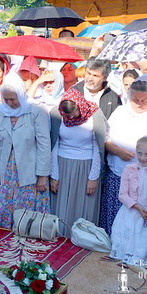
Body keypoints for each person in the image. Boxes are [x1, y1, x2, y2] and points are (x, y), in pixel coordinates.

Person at [101, 75, 147, 234]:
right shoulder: (120, 112)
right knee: (118, 214)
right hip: (119, 172)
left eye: (143, 100)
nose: (139, 104)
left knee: (139, 217)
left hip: (145, 178)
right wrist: (117, 150)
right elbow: (105, 137)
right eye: (135, 99)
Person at [0, 73, 51, 229]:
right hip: (8, 170)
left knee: (27, 214)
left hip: (29, 169)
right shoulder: (1, 111)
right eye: (6, 99)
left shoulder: (36, 111)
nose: (10, 103)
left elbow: (44, 144)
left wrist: (42, 175)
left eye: (13, 99)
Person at [50, 88, 107, 236]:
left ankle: (81, 237)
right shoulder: (57, 115)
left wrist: (93, 177)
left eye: (75, 113)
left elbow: (98, 148)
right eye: (68, 115)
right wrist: (54, 176)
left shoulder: (95, 115)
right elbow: (54, 146)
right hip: (63, 166)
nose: (72, 117)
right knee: (62, 205)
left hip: (86, 167)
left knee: (82, 205)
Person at [109, 136, 147, 265]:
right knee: (130, 235)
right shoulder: (129, 170)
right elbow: (123, 194)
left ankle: (146, 256)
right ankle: (127, 254)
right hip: (131, 212)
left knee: (146, 237)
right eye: (139, 153)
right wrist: (137, 207)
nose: (142, 158)